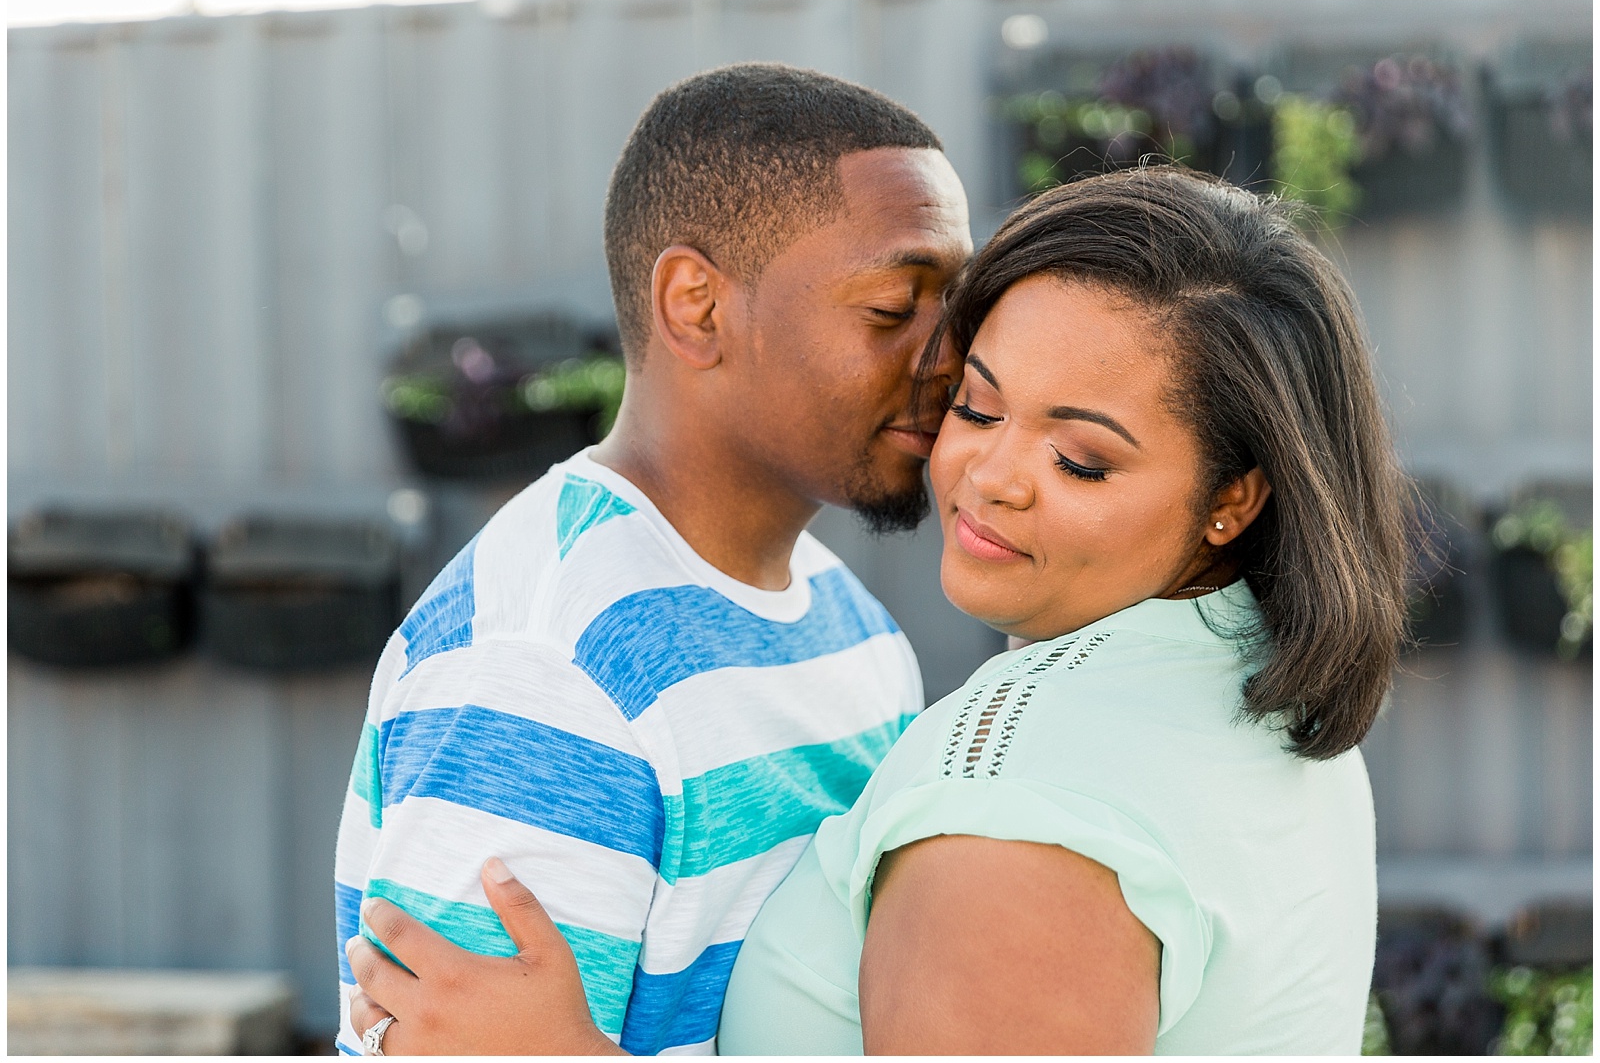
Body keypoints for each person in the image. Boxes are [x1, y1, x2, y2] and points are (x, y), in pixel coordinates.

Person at [347, 165, 1411, 1054]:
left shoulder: (1015, 818)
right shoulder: (1252, 688)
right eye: (976, 404)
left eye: (1081, 460)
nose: (990, 474)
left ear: (1234, 496)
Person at [333, 62, 971, 1055]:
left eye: (956, 311)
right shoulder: (547, 666)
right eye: (895, 309)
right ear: (698, 306)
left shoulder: (853, 628)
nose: (952, 359)